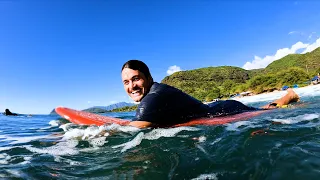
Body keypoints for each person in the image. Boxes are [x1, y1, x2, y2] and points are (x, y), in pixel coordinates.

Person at [121, 60, 300, 128]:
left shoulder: (154, 96)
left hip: (225, 111)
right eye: (126, 82)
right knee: (263, 110)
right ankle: (287, 96)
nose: (132, 86)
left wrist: (103, 132)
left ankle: (288, 95)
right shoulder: (152, 95)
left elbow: (133, 129)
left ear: (149, 78)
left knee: (267, 112)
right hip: (216, 108)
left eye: (136, 79)